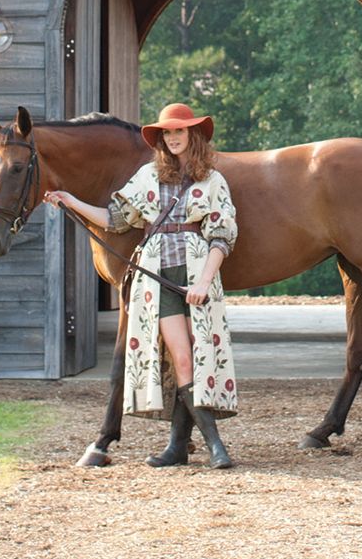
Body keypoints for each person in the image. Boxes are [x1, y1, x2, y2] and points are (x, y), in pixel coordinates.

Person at [43, 102, 238, 469]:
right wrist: (71, 201)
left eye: (179, 131)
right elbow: (115, 219)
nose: (173, 138)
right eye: (167, 132)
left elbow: (222, 237)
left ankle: (179, 447)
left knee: (200, 359)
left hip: (197, 275)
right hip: (158, 277)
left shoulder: (212, 181)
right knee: (181, 357)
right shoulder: (148, 176)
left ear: (193, 135)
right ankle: (216, 447)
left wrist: (205, 280)